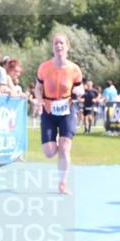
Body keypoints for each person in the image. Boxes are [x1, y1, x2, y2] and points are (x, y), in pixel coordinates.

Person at [35, 33, 84, 194]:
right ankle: (55, 139)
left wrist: (79, 91)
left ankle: (62, 184)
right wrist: (39, 100)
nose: (59, 46)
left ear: (67, 46)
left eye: (62, 43)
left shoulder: (74, 69)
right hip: (49, 110)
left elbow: (80, 88)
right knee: (49, 153)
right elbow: (38, 88)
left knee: (64, 148)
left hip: (67, 109)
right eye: (56, 43)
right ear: (53, 47)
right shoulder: (44, 67)